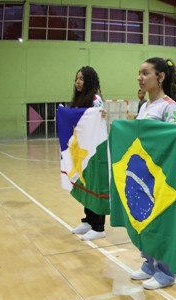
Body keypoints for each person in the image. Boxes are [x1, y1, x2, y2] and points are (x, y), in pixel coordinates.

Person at [131, 57, 176, 290]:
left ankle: (166, 272)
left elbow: (172, 142)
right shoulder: (144, 106)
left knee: (161, 222)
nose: (140, 78)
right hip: (142, 174)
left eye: (145, 73)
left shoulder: (169, 106)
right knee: (145, 221)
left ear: (160, 77)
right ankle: (150, 263)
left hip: (160, 176)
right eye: (139, 73)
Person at [69, 66, 107, 242]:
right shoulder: (78, 100)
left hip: (95, 150)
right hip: (82, 151)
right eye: (77, 78)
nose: (78, 81)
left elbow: (96, 121)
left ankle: (99, 226)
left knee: (96, 186)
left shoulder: (95, 99)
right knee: (85, 183)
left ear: (90, 81)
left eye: (82, 79)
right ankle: (89, 221)